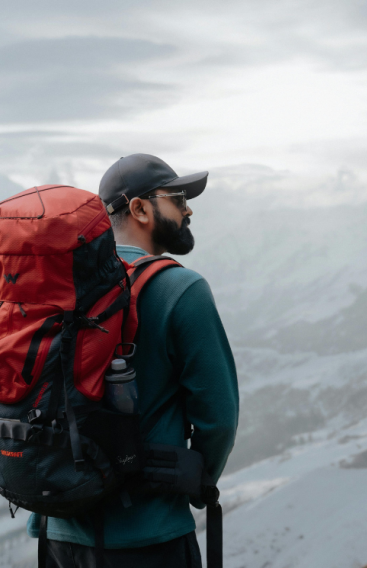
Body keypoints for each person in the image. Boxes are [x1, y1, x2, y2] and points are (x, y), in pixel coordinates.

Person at [28, 153, 239, 568]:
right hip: (149, 536)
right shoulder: (181, 288)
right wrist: (196, 482)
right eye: (177, 197)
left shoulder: (59, 285)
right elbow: (219, 418)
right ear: (140, 208)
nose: (188, 208)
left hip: (58, 534)